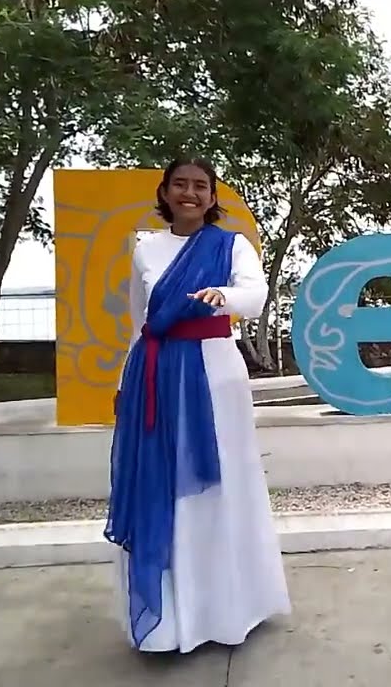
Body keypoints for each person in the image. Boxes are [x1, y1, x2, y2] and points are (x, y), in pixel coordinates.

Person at [106, 156, 290, 653]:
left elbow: (254, 297)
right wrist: (128, 380)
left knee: (222, 481)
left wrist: (221, 295)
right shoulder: (145, 247)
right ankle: (168, 622)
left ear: (212, 198)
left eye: (201, 186)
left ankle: (228, 609)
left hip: (214, 372)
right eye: (180, 184)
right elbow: (139, 320)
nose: (190, 193)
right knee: (160, 481)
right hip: (154, 372)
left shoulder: (231, 245)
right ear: (164, 193)